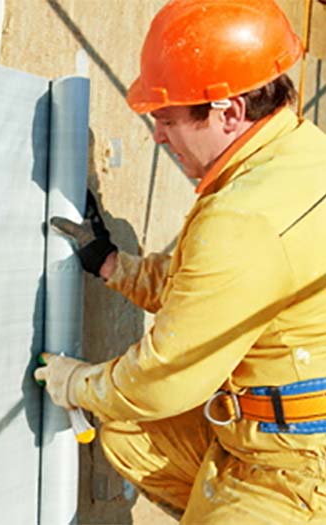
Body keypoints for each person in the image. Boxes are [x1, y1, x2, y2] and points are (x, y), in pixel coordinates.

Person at [34, 0, 326, 523]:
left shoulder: (242, 217)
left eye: (166, 119)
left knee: (126, 403)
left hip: (298, 465)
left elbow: (165, 379)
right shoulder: (302, 151)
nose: (159, 137)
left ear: (229, 112)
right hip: (275, 423)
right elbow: (211, 287)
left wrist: (75, 382)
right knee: (129, 433)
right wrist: (110, 264)